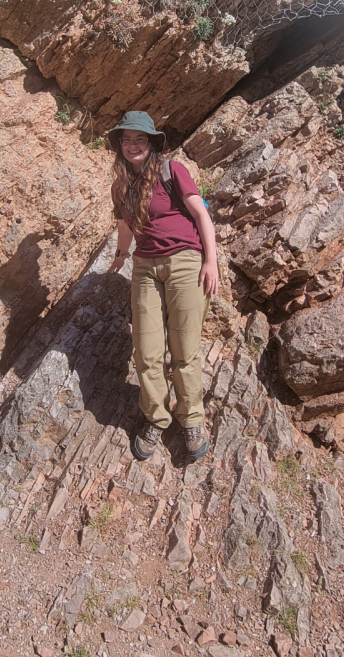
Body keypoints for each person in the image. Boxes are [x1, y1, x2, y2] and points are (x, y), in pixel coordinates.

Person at [104, 111, 218, 463]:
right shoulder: (121, 185)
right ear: (120, 146)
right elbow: (126, 223)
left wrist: (210, 261)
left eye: (140, 139)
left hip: (185, 261)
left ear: (151, 143)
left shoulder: (172, 170)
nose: (133, 145)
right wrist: (122, 254)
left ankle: (192, 418)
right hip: (144, 268)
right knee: (146, 351)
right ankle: (157, 416)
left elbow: (201, 214)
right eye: (127, 140)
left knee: (184, 349)